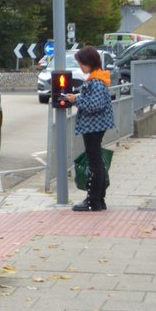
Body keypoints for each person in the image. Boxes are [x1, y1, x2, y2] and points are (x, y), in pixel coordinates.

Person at [63, 45, 115, 212]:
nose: (80, 67)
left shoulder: (96, 82)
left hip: (94, 126)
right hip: (96, 125)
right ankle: (98, 200)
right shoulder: (97, 79)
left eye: (81, 63)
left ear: (89, 62)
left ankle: (93, 201)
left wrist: (75, 100)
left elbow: (94, 105)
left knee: (95, 163)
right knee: (96, 161)